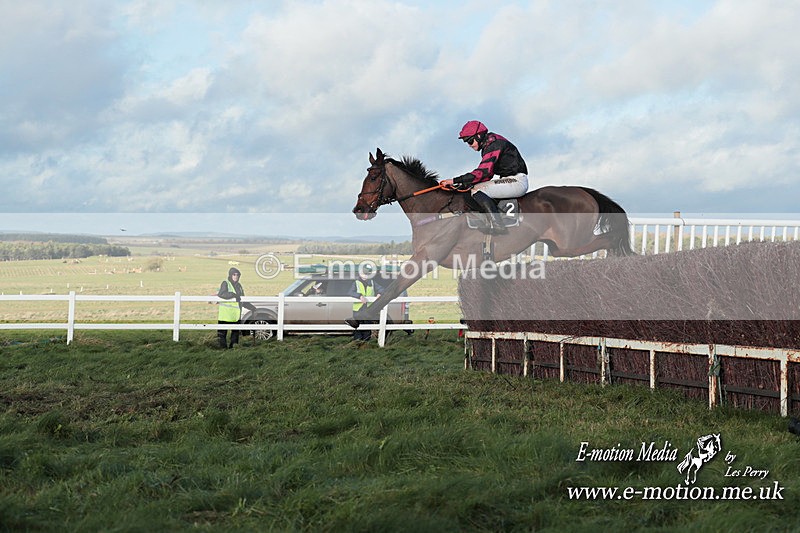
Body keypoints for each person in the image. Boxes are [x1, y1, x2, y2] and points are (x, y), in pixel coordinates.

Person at [439, 120, 529, 234]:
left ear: (479, 136)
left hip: (516, 181)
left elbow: (483, 172)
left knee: (476, 190)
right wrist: (463, 184)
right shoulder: (489, 144)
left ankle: (497, 225)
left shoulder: (493, 145)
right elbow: (487, 175)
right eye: (467, 142)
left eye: (471, 141)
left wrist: (455, 180)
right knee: (473, 188)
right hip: (509, 180)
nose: (470, 145)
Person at [216, 267, 255, 349]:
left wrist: (252, 308)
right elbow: (222, 294)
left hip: (235, 315)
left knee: (235, 333)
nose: (236, 276)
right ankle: (222, 349)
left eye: (237, 275)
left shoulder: (239, 286)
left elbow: (242, 300)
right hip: (225, 315)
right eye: (234, 274)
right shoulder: (225, 283)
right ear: (230, 275)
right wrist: (233, 295)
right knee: (222, 334)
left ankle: (233, 348)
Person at [348, 266, 384, 341]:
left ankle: (366, 343)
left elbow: (381, 289)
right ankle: (357, 343)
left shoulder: (372, 282)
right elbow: (350, 292)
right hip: (358, 309)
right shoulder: (356, 283)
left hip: (369, 309)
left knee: (367, 326)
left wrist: (380, 293)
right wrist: (360, 296)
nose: (365, 275)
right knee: (357, 327)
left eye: (367, 274)